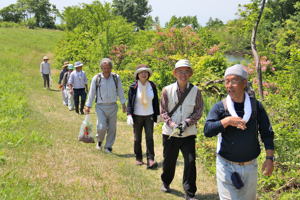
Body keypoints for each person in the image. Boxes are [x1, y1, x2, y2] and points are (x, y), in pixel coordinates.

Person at [204, 64, 275, 200]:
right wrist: (227, 121)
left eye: (234, 81)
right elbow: (207, 130)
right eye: (227, 81)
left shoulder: (256, 106)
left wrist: (269, 158)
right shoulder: (220, 107)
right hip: (226, 165)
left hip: (250, 166)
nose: (229, 85)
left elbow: (267, 132)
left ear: (244, 83)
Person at [160, 59, 203, 200]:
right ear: (175, 73)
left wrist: (187, 123)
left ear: (190, 74)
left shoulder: (196, 91)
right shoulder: (166, 90)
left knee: (190, 162)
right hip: (170, 133)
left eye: (186, 72)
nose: (183, 74)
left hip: (188, 133)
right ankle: (166, 182)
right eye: (180, 71)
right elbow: (163, 111)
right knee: (169, 161)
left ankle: (190, 193)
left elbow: (198, 111)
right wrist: (172, 124)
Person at [85, 58, 126, 153]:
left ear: (111, 68)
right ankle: (99, 141)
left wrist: (123, 104)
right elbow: (91, 93)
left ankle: (108, 146)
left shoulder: (116, 78)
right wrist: (88, 105)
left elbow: (120, 91)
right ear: (101, 68)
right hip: (100, 107)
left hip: (113, 106)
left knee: (112, 128)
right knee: (101, 127)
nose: (106, 70)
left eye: (108, 68)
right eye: (104, 68)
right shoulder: (97, 78)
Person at [127, 64, 160, 168]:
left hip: (149, 116)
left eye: (146, 72)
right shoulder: (133, 87)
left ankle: (151, 159)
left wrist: (157, 115)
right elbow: (130, 102)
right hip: (137, 116)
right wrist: (129, 115)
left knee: (149, 138)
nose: (144, 74)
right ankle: (138, 158)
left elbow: (155, 102)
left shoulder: (152, 86)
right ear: (137, 74)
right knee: (137, 139)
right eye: (141, 72)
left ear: (148, 74)